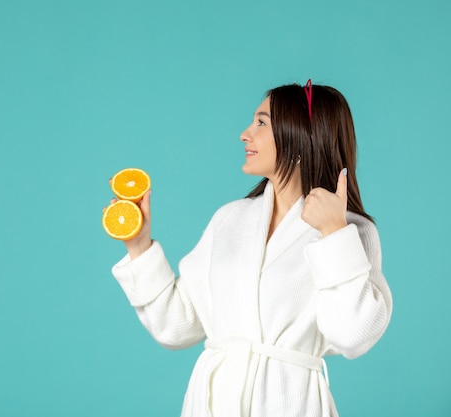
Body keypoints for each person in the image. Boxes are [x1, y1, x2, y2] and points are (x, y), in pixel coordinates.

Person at [107, 80, 393, 417]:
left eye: (261, 123)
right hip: (211, 404)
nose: (245, 134)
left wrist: (333, 232)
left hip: (288, 403)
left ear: (299, 135)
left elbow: (352, 335)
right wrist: (139, 246)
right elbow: (176, 325)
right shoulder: (230, 219)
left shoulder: (351, 231)